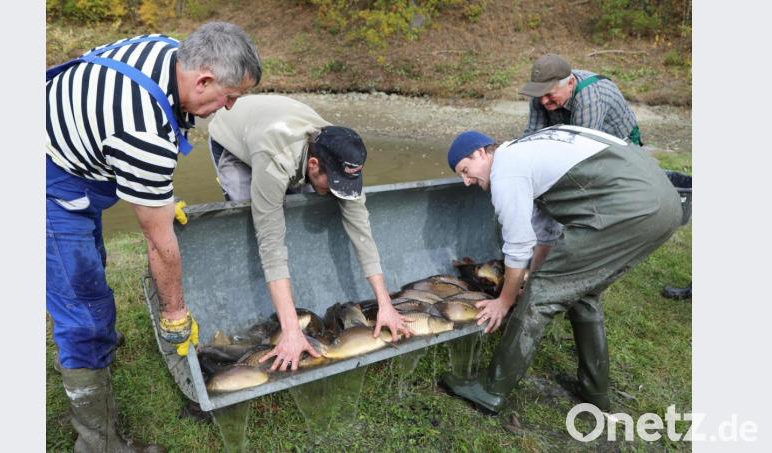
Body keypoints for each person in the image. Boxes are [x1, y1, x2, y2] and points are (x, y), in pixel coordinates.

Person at [46, 22, 261, 451]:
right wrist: (175, 314)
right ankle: (98, 443)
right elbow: (158, 242)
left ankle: (98, 340)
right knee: (82, 307)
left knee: (92, 264)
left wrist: (159, 196)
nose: (230, 108)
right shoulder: (141, 129)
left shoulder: (169, 51)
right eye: (229, 97)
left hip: (69, 145)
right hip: (44, 175)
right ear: (203, 78)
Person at [439, 125, 681, 414]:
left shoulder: (505, 170)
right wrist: (532, 279)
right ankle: (594, 390)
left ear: (481, 152)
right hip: (666, 203)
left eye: (466, 170)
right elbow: (546, 234)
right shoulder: (530, 152)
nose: (466, 181)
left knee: (540, 295)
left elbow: (517, 247)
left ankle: (490, 391)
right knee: (582, 291)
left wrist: (506, 300)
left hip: (627, 208)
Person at [207, 94, 414, 371]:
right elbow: (272, 244)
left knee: (303, 201)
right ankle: (277, 310)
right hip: (235, 138)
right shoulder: (275, 160)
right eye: (334, 183)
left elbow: (361, 230)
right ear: (314, 165)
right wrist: (292, 331)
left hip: (282, 132)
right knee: (254, 217)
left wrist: (385, 302)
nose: (339, 190)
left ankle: (287, 304)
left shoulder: (339, 152)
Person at [520, 53, 643, 146]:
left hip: (621, 143)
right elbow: (533, 134)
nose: (543, 101)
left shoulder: (590, 97)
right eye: (540, 95)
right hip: (581, 138)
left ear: (570, 83)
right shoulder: (540, 93)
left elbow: (582, 148)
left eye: (550, 95)